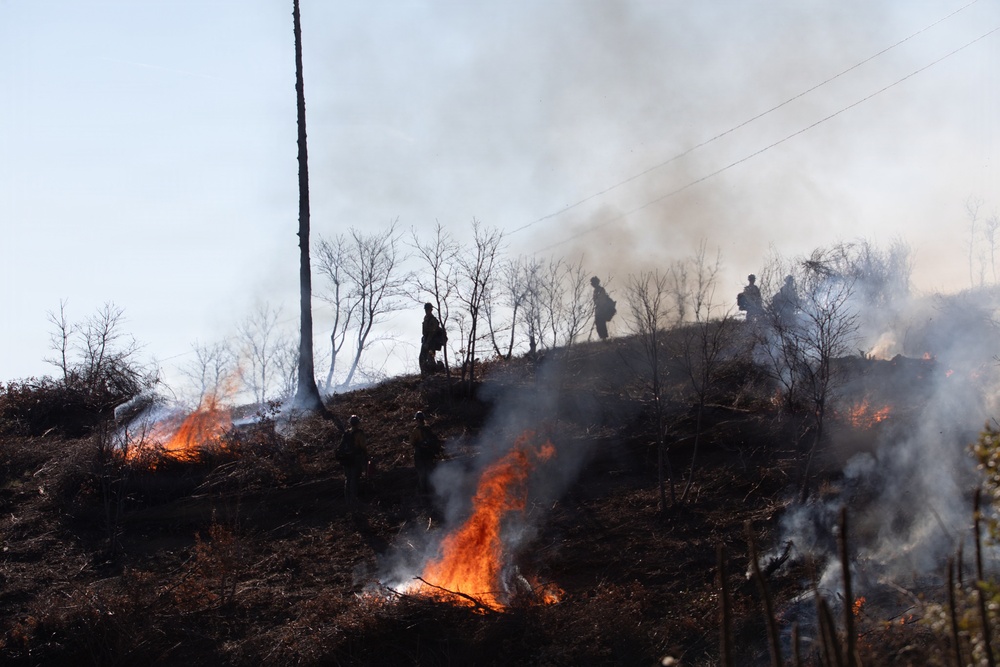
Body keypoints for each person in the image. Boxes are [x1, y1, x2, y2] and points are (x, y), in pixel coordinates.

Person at [335, 414, 369, 506]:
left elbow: (340, 446)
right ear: (358, 423)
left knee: (347, 479)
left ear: (350, 423)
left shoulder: (346, 433)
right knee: (354, 479)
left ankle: (348, 500)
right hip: (355, 459)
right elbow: (363, 446)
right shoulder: (359, 433)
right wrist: (366, 455)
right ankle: (354, 500)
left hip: (346, 459)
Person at [408, 411, 441, 496]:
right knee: (430, 473)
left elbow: (412, 442)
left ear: (417, 420)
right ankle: (432, 491)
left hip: (420, 456)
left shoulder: (416, 430)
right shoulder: (428, 429)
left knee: (422, 474)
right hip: (428, 455)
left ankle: (424, 493)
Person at [419, 303, 445, 374]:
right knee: (422, 358)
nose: (427, 311)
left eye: (428, 309)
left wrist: (427, 343)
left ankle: (434, 372)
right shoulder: (426, 318)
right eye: (426, 309)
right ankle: (424, 373)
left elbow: (432, 333)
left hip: (431, 342)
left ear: (431, 310)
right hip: (426, 340)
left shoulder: (433, 320)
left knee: (430, 358)